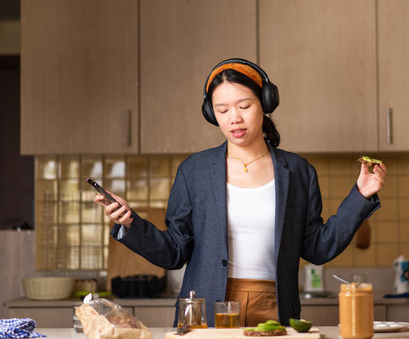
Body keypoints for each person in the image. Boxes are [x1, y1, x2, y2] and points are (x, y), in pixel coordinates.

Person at [93, 58, 386, 327]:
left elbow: (317, 248)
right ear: (212, 114)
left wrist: (360, 196)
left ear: (265, 103)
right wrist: (129, 222)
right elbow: (174, 252)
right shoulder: (194, 171)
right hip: (206, 311)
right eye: (222, 110)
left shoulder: (298, 172)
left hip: (274, 307)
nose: (234, 118)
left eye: (244, 106)